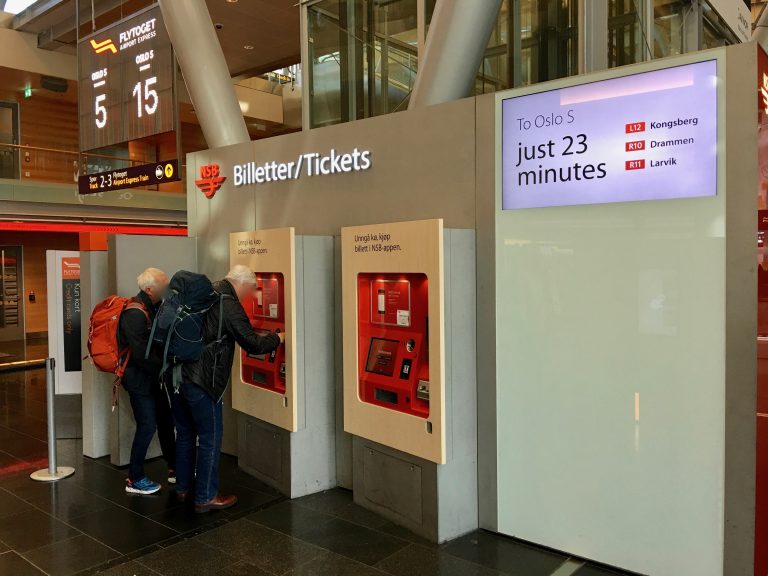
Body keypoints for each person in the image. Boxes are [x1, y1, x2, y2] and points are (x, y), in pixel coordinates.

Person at [171, 265, 284, 513]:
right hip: (203, 381)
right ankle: (205, 496)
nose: (252, 295)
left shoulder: (207, 292)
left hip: (179, 375)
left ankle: (183, 488)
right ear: (242, 284)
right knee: (210, 438)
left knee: (187, 433)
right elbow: (252, 343)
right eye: (252, 290)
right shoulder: (228, 304)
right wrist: (278, 338)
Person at [119, 267, 177, 495]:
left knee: (165, 421)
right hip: (139, 380)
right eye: (164, 286)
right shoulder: (134, 313)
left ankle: (174, 468)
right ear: (150, 289)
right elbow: (141, 353)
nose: (167, 289)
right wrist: (165, 369)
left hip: (152, 378)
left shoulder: (151, 307)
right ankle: (134, 478)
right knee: (147, 426)